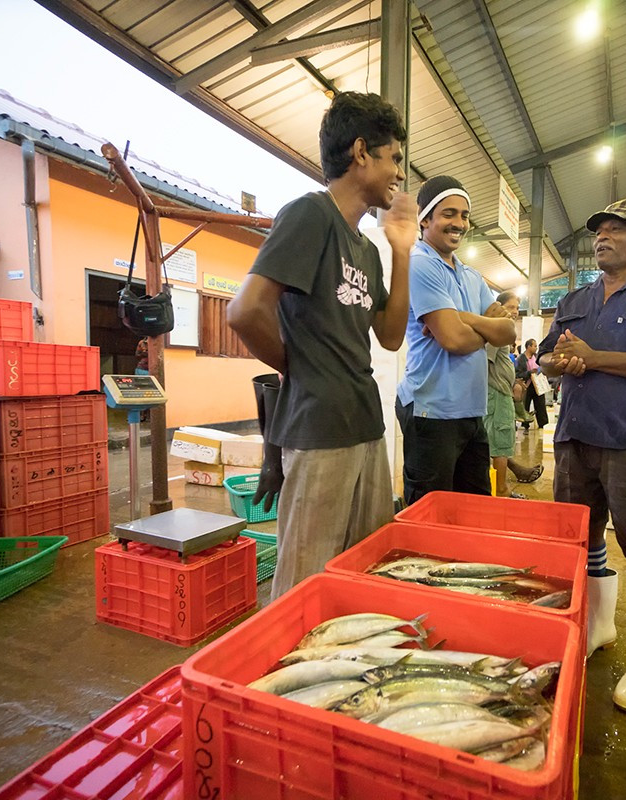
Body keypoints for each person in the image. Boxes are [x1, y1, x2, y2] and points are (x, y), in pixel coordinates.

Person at [226, 91, 417, 600]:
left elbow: (391, 335)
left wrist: (401, 251)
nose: (399, 172)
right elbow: (244, 311)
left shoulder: (367, 250)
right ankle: (280, 677)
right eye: (393, 157)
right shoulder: (311, 215)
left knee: (365, 564)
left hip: (363, 423)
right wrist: (300, 366)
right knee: (304, 583)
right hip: (316, 428)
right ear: (361, 153)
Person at [538, 198, 626, 714]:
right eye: (599, 229)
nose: (604, 236)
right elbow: (547, 358)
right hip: (575, 436)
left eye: (619, 229)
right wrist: (562, 361)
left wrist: (595, 358)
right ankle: (600, 624)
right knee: (584, 536)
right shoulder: (576, 297)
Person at [396, 176, 515, 505]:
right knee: (431, 513)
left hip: (470, 413)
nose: (459, 223)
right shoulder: (420, 264)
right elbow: (452, 339)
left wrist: (465, 318)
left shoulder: (471, 275)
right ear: (425, 219)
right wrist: (480, 326)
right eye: (449, 214)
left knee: (474, 510)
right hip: (431, 412)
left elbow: (508, 332)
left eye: (464, 215)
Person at [485, 290, 544, 500]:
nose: (515, 312)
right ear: (499, 307)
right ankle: (501, 489)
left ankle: (502, 483)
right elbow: (485, 360)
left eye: (518, 308)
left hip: (502, 392)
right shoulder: (496, 331)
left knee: (502, 440)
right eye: (511, 307)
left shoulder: (504, 332)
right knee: (500, 440)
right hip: (496, 393)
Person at [515, 339, 549, 429]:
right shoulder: (521, 359)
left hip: (537, 385)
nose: (536, 348)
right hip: (527, 385)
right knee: (525, 404)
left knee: (541, 405)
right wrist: (529, 373)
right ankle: (525, 424)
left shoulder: (537, 358)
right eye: (534, 346)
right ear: (529, 346)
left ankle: (543, 424)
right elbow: (518, 374)